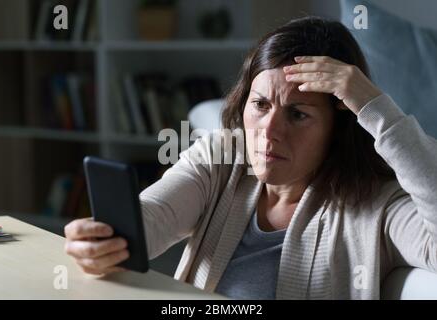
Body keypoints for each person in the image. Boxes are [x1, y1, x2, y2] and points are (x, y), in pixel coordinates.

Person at [64, 17, 437, 299]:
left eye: (297, 114)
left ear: (337, 129)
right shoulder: (220, 158)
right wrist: (104, 238)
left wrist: (374, 106)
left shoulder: (378, 206)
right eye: (259, 105)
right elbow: (154, 216)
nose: (268, 131)